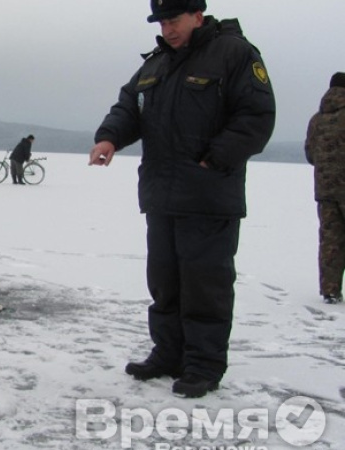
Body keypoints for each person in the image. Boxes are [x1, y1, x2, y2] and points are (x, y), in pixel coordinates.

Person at [88, 0, 275, 398]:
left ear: (197, 16)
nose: (167, 28)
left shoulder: (235, 53)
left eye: (174, 20)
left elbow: (257, 115)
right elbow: (129, 105)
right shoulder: (157, 62)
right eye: (162, 21)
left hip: (208, 195)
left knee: (206, 285)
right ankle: (168, 353)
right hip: (161, 195)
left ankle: (203, 365)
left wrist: (215, 158)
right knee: (165, 282)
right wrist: (109, 137)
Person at [305, 72, 345, 304]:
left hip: (325, 191)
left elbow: (311, 155)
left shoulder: (316, 120)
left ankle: (330, 290)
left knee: (330, 240)